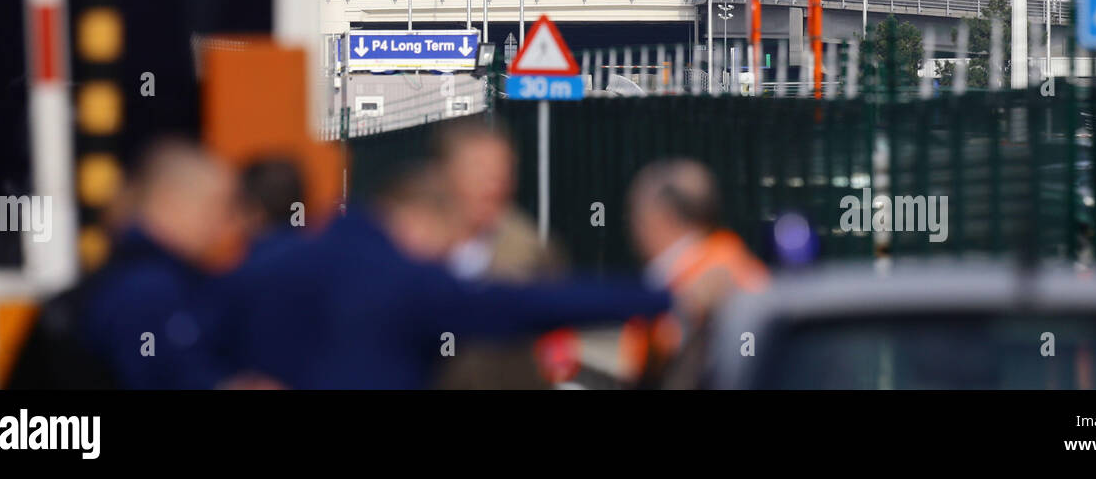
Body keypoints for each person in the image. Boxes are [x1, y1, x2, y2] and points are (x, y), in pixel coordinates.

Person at [214, 156, 673, 389]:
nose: (447, 260)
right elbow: (520, 305)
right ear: (419, 219)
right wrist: (656, 296)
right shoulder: (406, 282)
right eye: (448, 243)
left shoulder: (266, 264)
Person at [76, 139, 238, 389]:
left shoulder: (140, 276)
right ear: (170, 200)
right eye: (215, 205)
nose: (224, 223)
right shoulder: (147, 289)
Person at [430, 119, 570, 388]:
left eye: (502, 170)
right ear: (444, 173)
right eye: (478, 168)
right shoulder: (413, 244)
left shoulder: (531, 250)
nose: (492, 181)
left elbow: (554, 343)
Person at [620, 158, 768, 388]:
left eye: (637, 216)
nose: (633, 229)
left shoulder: (692, 280)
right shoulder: (732, 260)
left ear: (663, 217)